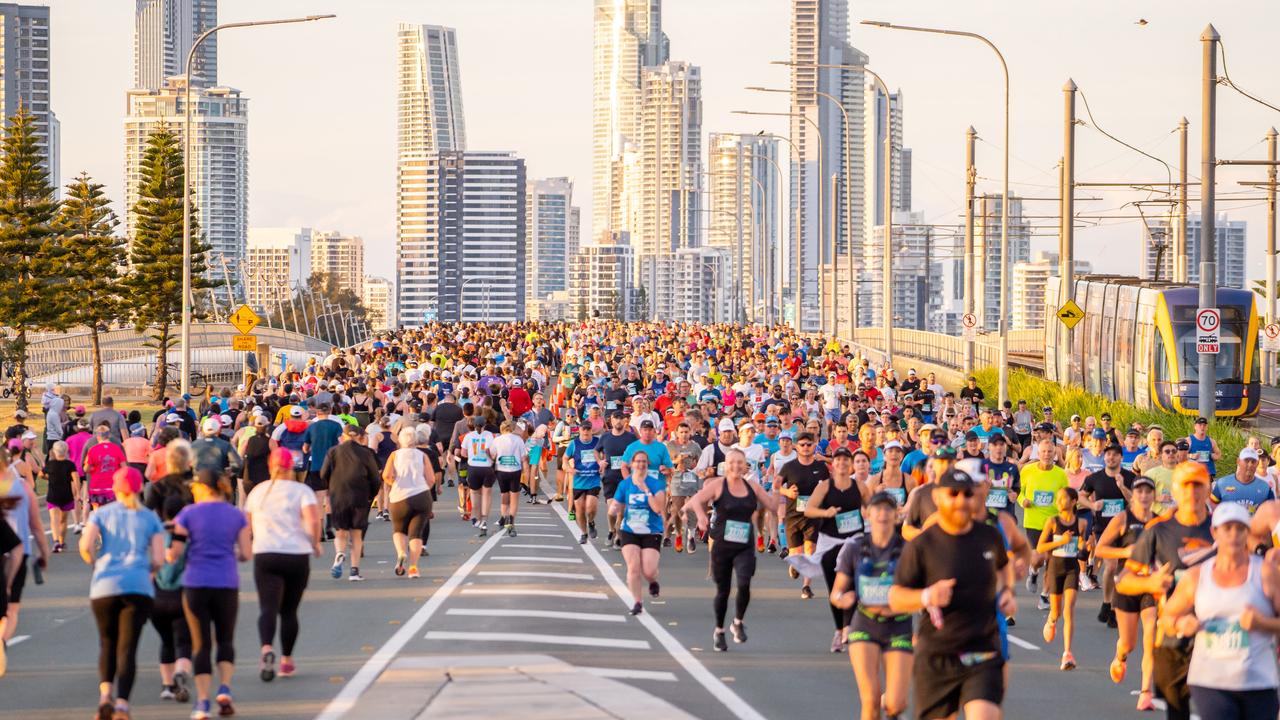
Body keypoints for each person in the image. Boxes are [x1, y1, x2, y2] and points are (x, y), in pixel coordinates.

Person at [889, 468, 1015, 720]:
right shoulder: (922, 545)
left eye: (967, 494)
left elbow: (1003, 567)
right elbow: (896, 598)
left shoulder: (989, 536)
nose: (961, 500)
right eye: (953, 494)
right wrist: (926, 596)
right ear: (937, 497)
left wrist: (1007, 593)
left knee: (985, 715)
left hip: (982, 650)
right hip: (938, 654)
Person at [1159, 501, 1280, 720]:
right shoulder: (1197, 576)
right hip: (1210, 680)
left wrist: (1262, 623)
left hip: (1258, 680)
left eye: (1240, 528)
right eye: (1227, 528)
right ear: (1215, 532)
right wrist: (1180, 624)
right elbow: (1167, 615)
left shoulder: (1265, 573)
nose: (1234, 535)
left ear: (1247, 533)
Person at [1116, 461, 1215, 720]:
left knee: (1219, 709)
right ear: (1175, 490)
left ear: (1207, 489)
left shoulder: (1222, 530)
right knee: (1178, 712)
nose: (1192, 493)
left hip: (1215, 636)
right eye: (1186, 486)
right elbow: (1124, 580)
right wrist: (1150, 583)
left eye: (1198, 486)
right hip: (1172, 636)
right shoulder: (1158, 530)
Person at [79, 467, 164, 720]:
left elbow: (86, 545)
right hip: (137, 584)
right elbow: (159, 558)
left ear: (115, 488)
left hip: (105, 584)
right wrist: (149, 571)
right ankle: (123, 704)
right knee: (128, 647)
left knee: (107, 642)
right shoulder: (149, 517)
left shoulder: (102, 514)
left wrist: (94, 562)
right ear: (140, 489)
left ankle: (105, 695)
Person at [169, 469, 251, 719]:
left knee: (201, 643)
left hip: (195, 582)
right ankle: (224, 689)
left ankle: (203, 702)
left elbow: (174, 553)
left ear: (204, 488)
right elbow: (246, 554)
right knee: (225, 639)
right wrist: (228, 553)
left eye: (195, 487)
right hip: (226, 581)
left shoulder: (187, 514)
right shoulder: (237, 515)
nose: (192, 489)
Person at [830, 491, 911, 720]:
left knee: (896, 703)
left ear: (897, 515)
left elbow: (922, 587)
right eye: (877, 508)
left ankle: (892, 707)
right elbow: (837, 590)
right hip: (865, 624)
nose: (882, 514)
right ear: (867, 513)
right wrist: (840, 598)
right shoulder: (854, 548)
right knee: (870, 699)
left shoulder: (909, 550)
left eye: (888, 509)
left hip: (899, 625)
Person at [689, 448, 779, 651]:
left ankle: (738, 622)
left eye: (740, 462)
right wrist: (702, 517)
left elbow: (773, 507)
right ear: (725, 465)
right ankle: (719, 630)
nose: (736, 466)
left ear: (746, 465)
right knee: (723, 590)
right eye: (732, 463)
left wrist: (777, 489)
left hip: (744, 545)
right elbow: (696, 500)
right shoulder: (718, 485)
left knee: (745, 582)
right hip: (722, 544)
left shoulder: (752, 486)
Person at [244, 448, 320, 682]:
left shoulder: (258, 491)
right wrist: (315, 543)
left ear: (270, 466)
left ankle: (266, 647)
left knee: (268, 607)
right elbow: (313, 519)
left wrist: (248, 543)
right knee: (289, 611)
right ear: (291, 467)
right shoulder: (302, 491)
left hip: (266, 553)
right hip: (296, 554)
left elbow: (245, 524)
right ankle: (286, 660)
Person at [1095, 475, 1159, 711]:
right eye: (1139, 491)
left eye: (1148, 492)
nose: (1144, 496)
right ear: (1133, 495)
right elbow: (1101, 548)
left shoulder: (1159, 523)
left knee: (1150, 639)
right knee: (1129, 643)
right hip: (1126, 585)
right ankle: (1120, 657)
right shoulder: (1123, 519)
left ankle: (1146, 692)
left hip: (1150, 586)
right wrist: (1126, 552)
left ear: (1153, 496)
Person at [802, 447, 871, 653]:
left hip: (853, 540)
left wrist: (869, 513)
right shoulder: (825, 486)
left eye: (845, 460)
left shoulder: (860, 486)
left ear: (849, 464)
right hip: (830, 541)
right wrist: (826, 511)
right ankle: (839, 630)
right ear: (833, 464)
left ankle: (848, 627)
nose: (841, 463)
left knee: (853, 586)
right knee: (836, 590)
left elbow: (872, 507)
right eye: (838, 459)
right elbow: (808, 509)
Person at [321, 424, 381, 581]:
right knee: (356, 534)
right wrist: (372, 494)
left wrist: (330, 487)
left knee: (340, 532)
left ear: (343, 436)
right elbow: (375, 477)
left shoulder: (333, 451)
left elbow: (323, 473)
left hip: (338, 495)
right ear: (359, 437)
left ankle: (340, 553)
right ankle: (354, 571)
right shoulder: (366, 453)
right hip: (359, 495)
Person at [609, 450, 667, 615]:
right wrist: (614, 508)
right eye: (637, 461)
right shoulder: (625, 484)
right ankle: (637, 602)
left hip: (651, 530)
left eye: (644, 462)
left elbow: (658, 508)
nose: (641, 464)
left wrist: (645, 489)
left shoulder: (656, 484)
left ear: (647, 464)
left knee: (648, 570)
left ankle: (652, 581)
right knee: (633, 568)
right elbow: (617, 505)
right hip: (629, 530)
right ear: (632, 464)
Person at [1036, 487, 1086, 671]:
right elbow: (1041, 547)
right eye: (1057, 499)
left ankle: (1067, 653)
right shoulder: (1052, 521)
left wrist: (1084, 546)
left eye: (1063, 498)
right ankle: (1051, 620)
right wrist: (1060, 541)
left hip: (1071, 569)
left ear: (1074, 502)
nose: (1059, 502)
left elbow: (1081, 546)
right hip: (1054, 569)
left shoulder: (1081, 523)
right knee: (1056, 612)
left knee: (1069, 609)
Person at [778, 431, 829, 599]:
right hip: (793, 515)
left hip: (813, 516)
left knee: (810, 549)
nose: (806, 448)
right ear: (796, 447)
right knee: (796, 552)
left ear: (815, 446)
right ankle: (795, 564)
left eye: (809, 444)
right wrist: (787, 491)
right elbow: (776, 485)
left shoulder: (821, 468)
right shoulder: (789, 467)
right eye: (802, 445)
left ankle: (806, 587)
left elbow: (829, 487)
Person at [1020, 438, 1069, 610]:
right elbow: (1019, 491)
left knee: (1052, 561)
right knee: (1039, 558)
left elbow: (1066, 496)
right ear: (1038, 453)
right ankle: (1033, 572)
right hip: (1033, 521)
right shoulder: (1027, 471)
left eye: (1050, 452)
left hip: (1054, 522)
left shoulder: (1061, 474)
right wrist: (1023, 501)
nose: (1047, 455)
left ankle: (1044, 595)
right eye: (1044, 452)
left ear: (1055, 454)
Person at [382, 427, 435, 578]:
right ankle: (413, 567)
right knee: (416, 534)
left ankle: (401, 553)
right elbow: (431, 479)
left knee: (399, 530)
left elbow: (386, 475)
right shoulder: (422, 455)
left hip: (399, 496)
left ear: (400, 440)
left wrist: (394, 483)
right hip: (420, 495)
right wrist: (424, 488)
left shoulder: (394, 455)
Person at [564, 423, 602, 545]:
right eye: (583, 430)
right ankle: (584, 533)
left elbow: (606, 454)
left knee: (591, 507)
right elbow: (564, 459)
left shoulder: (597, 441)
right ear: (579, 430)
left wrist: (602, 463)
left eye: (588, 430)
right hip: (579, 482)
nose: (586, 432)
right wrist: (569, 469)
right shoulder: (574, 444)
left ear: (592, 430)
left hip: (593, 480)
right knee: (579, 510)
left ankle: (591, 522)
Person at [460, 416, 497, 537]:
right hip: (486, 467)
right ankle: (484, 520)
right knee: (486, 494)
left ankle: (476, 517)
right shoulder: (489, 435)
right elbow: (489, 450)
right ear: (485, 425)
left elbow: (463, 453)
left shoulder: (469, 436)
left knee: (475, 493)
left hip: (473, 467)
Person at [490, 420, 527, 537]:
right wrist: (526, 472)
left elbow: (492, 455)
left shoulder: (497, 440)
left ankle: (504, 517)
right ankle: (511, 520)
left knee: (504, 496)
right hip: (515, 470)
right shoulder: (518, 440)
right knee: (514, 498)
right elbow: (524, 457)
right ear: (512, 428)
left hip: (501, 470)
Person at [1210, 447, 1274, 515]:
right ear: (1238, 461)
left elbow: (1273, 512)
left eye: (1253, 461)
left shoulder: (1265, 488)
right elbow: (1211, 506)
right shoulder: (1222, 483)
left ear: (1257, 463)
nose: (1250, 465)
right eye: (1246, 460)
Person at [44, 440, 80, 554]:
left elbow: (41, 474)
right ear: (66, 451)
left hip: (53, 495)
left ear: (54, 451)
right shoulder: (70, 464)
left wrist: (49, 478)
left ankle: (56, 541)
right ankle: (61, 541)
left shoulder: (50, 464)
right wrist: (78, 492)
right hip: (67, 495)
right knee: (63, 520)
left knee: (54, 519)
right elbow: (76, 478)